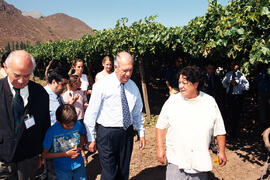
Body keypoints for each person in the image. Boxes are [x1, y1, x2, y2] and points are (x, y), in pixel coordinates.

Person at [156, 65, 227, 180]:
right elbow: (160, 126)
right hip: (176, 161)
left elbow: (220, 129)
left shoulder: (209, 102)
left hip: (199, 162)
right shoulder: (173, 101)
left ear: (196, 84)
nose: (180, 86)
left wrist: (222, 151)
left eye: (185, 83)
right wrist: (160, 148)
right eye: (179, 82)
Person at [84, 51, 146, 180]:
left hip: (127, 133)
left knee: (123, 171)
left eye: (131, 70)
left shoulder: (133, 86)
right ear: (116, 67)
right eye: (125, 70)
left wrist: (141, 132)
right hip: (107, 134)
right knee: (109, 173)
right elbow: (91, 113)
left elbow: (136, 112)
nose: (128, 74)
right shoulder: (102, 85)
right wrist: (91, 137)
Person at [0, 50, 50, 179]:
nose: (22, 81)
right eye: (17, 75)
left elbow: (44, 126)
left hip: (29, 158)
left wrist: (41, 153)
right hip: (2, 160)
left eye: (27, 76)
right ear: (6, 67)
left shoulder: (40, 93)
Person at [42, 104, 87, 180]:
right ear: (59, 121)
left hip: (78, 164)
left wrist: (80, 147)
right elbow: (45, 155)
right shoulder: (51, 132)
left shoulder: (77, 124)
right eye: (68, 126)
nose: (72, 127)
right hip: (61, 168)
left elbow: (83, 134)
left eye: (73, 124)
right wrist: (66, 154)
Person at [222, 61, 249, 139]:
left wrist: (238, 84)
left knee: (236, 115)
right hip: (229, 96)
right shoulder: (228, 74)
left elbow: (247, 87)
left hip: (237, 97)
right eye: (232, 64)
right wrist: (227, 82)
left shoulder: (241, 75)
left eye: (235, 65)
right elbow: (223, 84)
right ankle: (228, 132)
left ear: (238, 66)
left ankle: (235, 133)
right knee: (228, 114)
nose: (233, 66)